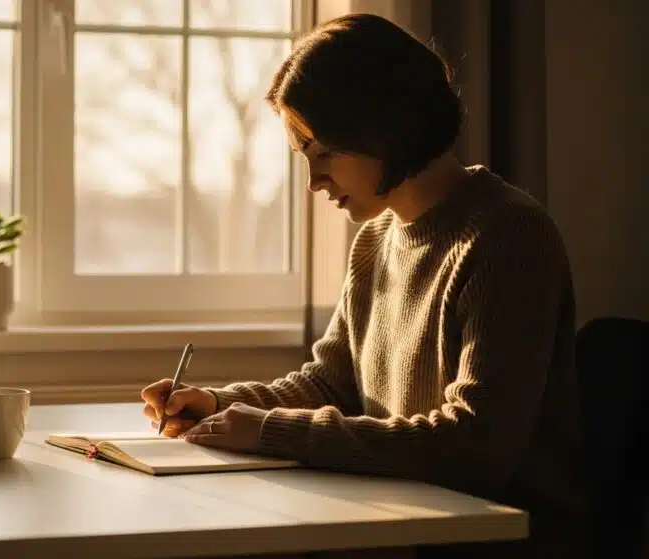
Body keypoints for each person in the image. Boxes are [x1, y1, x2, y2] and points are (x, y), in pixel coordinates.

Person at [141, 13, 589, 559]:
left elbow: (476, 445)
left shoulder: (507, 236)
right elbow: (333, 384)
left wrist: (268, 431)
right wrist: (218, 405)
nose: (314, 183)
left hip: (488, 539)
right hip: (401, 522)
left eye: (324, 154)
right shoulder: (375, 240)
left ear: (382, 125)